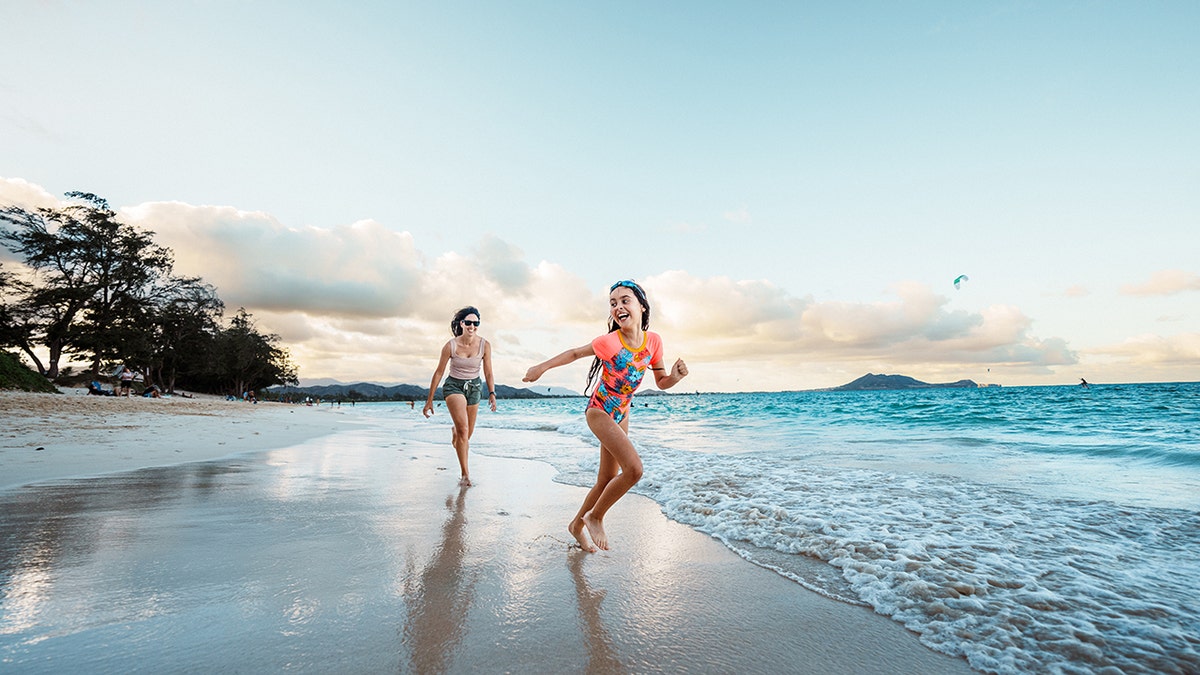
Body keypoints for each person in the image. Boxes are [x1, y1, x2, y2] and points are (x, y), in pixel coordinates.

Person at [523, 280, 688, 552]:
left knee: (606, 479)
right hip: (599, 410)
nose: (618, 306)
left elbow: (661, 382)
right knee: (634, 470)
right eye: (613, 303)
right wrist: (541, 368)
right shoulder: (609, 342)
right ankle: (595, 516)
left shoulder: (654, 342)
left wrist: (675, 378)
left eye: (625, 300)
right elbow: (575, 353)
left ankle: (576, 525)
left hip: (622, 413)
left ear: (642, 307)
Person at [423, 306, 497, 487]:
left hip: (474, 388)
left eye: (476, 323)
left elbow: (488, 372)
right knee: (464, 430)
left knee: (466, 434)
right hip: (453, 387)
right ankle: (465, 474)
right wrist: (429, 400)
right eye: (469, 322)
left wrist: (492, 393)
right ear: (461, 323)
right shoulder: (451, 345)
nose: (472, 326)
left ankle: (455, 432)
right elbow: (439, 372)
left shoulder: (484, 345)